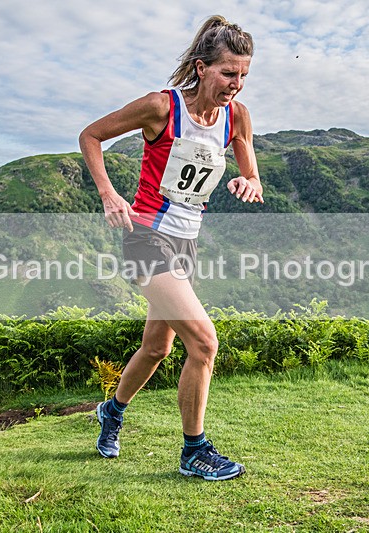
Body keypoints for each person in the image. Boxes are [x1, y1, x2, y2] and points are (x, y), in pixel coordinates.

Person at [78, 15, 262, 481]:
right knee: (203, 342)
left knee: (157, 347)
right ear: (202, 68)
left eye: (243, 75)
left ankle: (111, 412)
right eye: (227, 73)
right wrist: (108, 193)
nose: (235, 85)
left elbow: (249, 166)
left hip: (186, 242)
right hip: (145, 238)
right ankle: (194, 451)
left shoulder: (236, 117)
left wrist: (249, 181)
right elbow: (91, 136)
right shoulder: (161, 107)